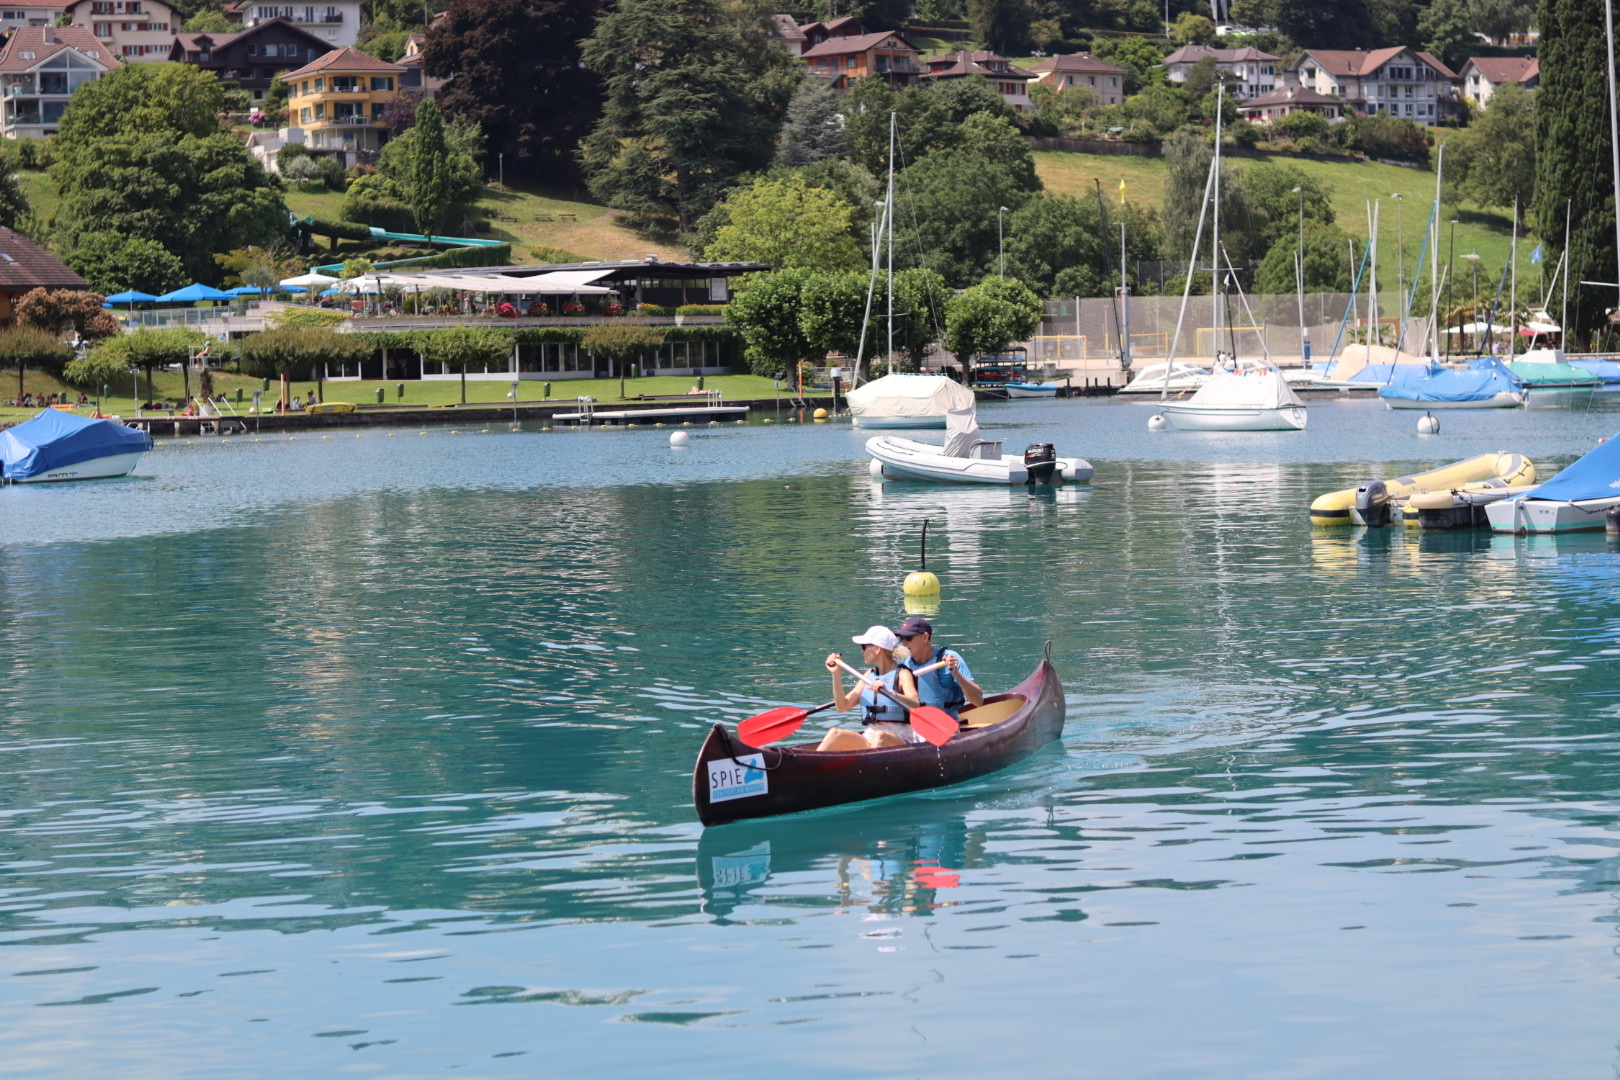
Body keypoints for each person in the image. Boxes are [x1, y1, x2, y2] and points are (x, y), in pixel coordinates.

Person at [816, 625, 921, 751]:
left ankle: (868, 766)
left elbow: (915, 704)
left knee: (880, 736)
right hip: (870, 736)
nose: (862, 651)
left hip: (900, 737)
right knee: (835, 733)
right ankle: (810, 768)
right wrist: (836, 674)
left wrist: (890, 693)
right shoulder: (868, 675)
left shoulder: (903, 673)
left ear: (877, 649)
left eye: (864, 647)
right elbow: (842, 706)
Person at [895, 616, 983, 721]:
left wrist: (957, 674)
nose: (904, 643)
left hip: (945, 724)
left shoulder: (950, 659)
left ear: (925, 637)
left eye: (908, 638)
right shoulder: (902, 662)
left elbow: (978, 701)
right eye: (901, 638)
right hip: (914, 724)